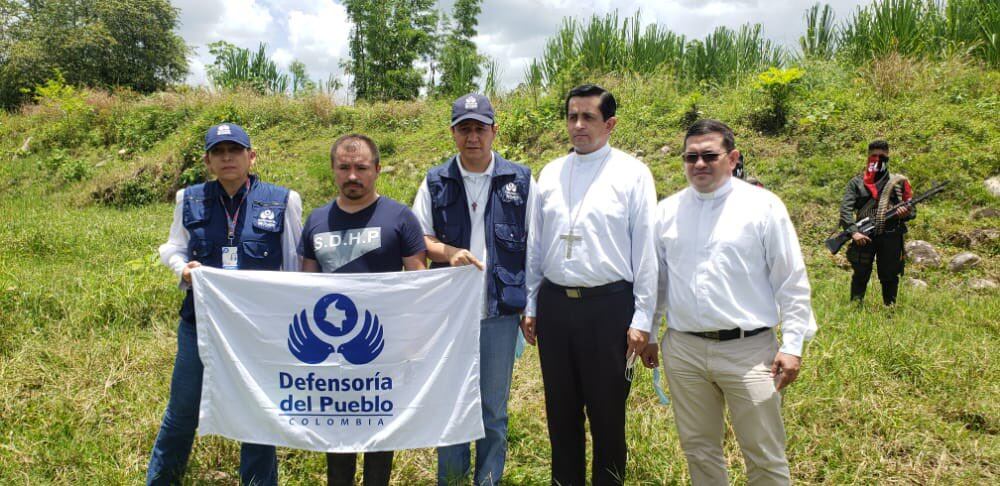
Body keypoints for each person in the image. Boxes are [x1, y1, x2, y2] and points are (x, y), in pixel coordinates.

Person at [641, 119, 817, 485]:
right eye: (691, 157)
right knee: (699, 450)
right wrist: (650, 331)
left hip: (750, 353)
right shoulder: (666, 212)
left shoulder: (763, 207)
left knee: (764, 454)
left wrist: (794, 344)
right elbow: (657, 281)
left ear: (733, 158)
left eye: (709, 156)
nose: (699, 165)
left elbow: (791, 280)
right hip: (685, 350)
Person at [149, 123, 303, 485]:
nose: (227, 158)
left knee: (256, 411)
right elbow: (173, 248)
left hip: (257, 330)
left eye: (235, 150)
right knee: (183, 410)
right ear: (208, 161)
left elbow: (293, 266)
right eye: (218, 152)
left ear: (252, 156)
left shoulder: (283, 200)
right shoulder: (189, 198)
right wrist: (182, 268)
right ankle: (161, 480)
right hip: (199, 324)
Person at [521, 84, 657, 486]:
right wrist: (531, 302)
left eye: (588, 117)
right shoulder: (550, 172)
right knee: (561, 412)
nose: (578, 125)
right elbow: (536, 243)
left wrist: (644, 317)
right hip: (557, 306)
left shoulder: (632, 173)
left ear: (610, 124)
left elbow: (647, 250)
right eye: (571, 116)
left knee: (607, 413)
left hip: (610, 309)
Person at [412, 93, 535, 486]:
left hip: (500, 310)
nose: (472, 137)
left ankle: (488, 479)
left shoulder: (521, 179)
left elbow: (535, 245)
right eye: (464, 128)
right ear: (453, 133)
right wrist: (448, 252)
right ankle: (451, 478)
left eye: (480, 128)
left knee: (492, 407)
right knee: (451, 401)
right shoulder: (435, 181)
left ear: (494, 131)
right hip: (450, 312)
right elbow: (420, 239)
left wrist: (530, 306)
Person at [300, 134, 427, 486]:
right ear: (333, 170)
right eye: (344, 168)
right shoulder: (316, 220)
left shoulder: (400, 217)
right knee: (336, 442)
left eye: (361, 168)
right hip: (331, 352)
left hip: (383, 349)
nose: (352, 176)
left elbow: (419, 283)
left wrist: (415, 343)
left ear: (377, 170)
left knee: (379, 439)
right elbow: (303, 287)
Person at [840, 140, 914, 306]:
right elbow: (845, 210)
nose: (878, 159)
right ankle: (855, 306)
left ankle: (890, 308)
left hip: (891, 236)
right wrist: (854, 232)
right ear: (868, 156)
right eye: (874, 156)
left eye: (882, 156)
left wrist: (905, 213)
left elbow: (912, 210)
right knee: (861, 273)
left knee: (889, 275)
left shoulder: (898, 183)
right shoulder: (857, 183)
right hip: (864, 235)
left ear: (888, 157)